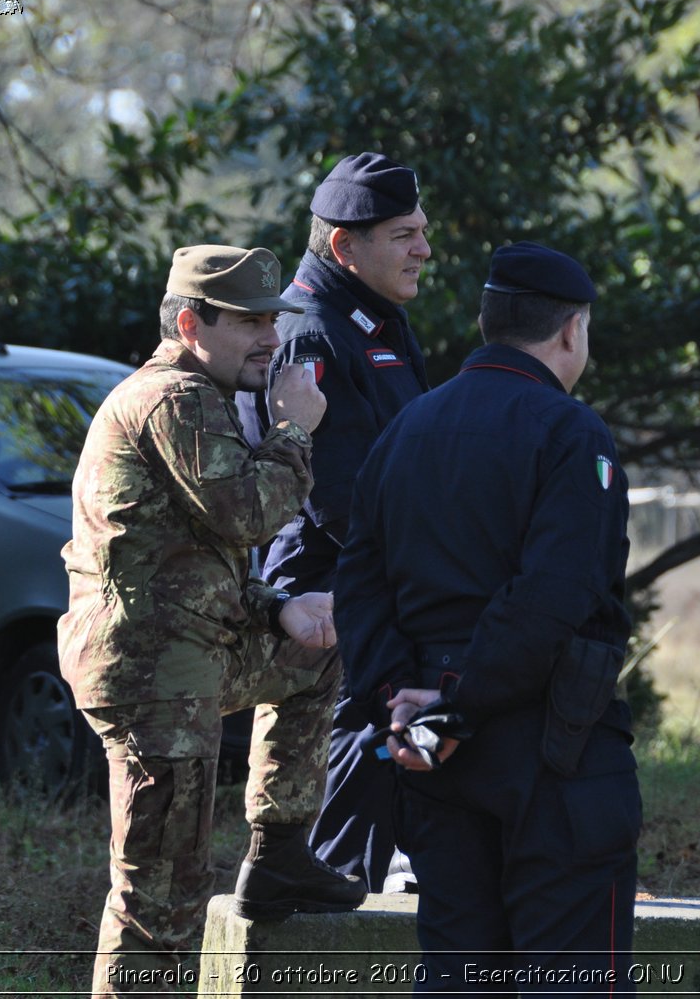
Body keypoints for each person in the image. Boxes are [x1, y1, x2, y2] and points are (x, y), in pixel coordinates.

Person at [58, 244, 366, 998]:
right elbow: (248, 514)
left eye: (274, 319)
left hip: (187, 652)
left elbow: (185, 562)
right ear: (193, 323)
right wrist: (296, 429)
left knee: (317, 655)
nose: (271, 337)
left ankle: (281, 851)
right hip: (154, 676)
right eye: (252, 322)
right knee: (159, 899)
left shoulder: (197, 396)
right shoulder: (175, 400)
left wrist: (280, 608)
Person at [336, 242, 641, 993]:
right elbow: (550, 599)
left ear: (484, 321)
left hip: (433, 755)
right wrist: (457, 705)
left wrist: (403, 701)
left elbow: (360, 584)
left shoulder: (404, 431)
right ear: (572, 331)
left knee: (460, 973)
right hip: (549, 750)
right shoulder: (573, 434)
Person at [238, 152, 432, 893]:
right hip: (337, 580)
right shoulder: (313, 330)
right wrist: (421, 571)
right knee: (356, 733)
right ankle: (338, 891)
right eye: (403, 234)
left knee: (414, 720)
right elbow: (334, 496)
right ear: (345, 247)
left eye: (421, 230)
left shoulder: (379, 316)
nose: (423, 248)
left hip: (393, 572)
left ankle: (403, 859)